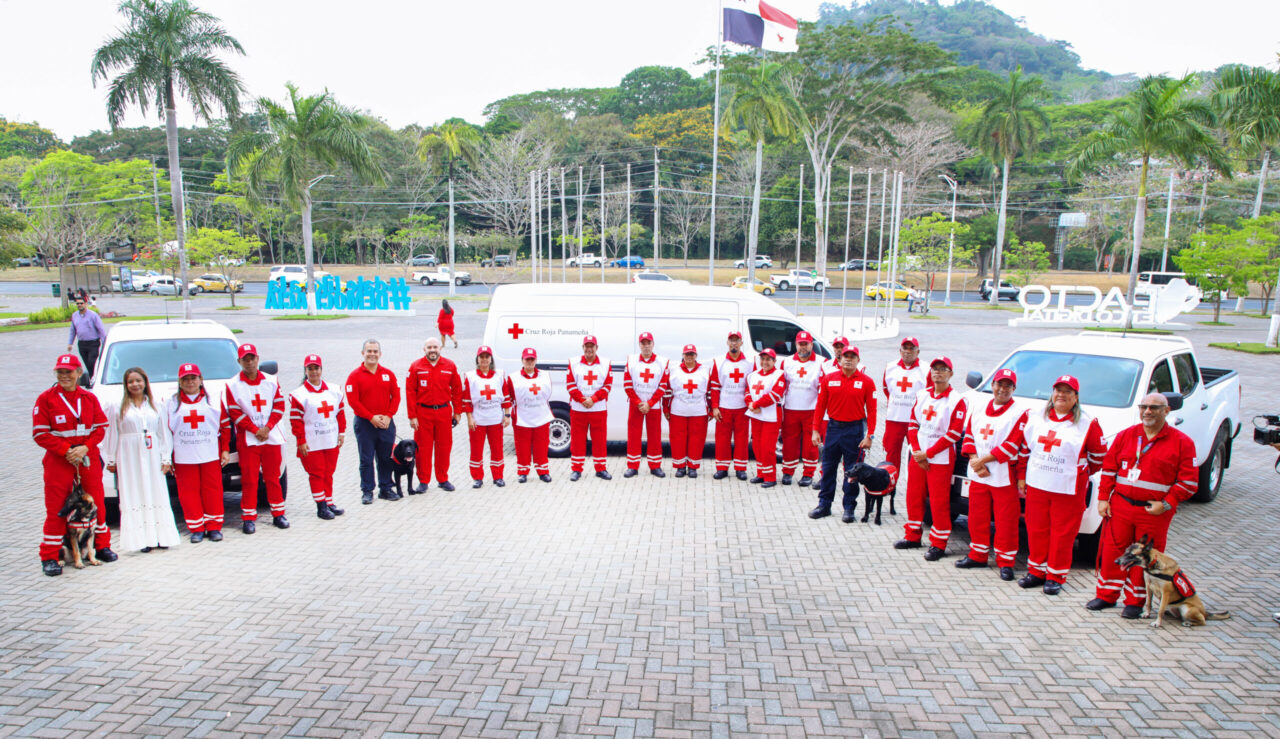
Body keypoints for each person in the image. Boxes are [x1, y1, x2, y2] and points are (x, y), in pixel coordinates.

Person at [1088, 392, 1198, 618]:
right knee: (1112, 551)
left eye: (1154, 408)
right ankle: (1106, 595)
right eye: (1144, 406)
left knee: (1144, 558)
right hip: (1121, 506)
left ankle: (1135, 602)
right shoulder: (1126, 436)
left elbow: (1189, 482)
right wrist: (1102, 498)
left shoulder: (1182, 443)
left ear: (1166, 411)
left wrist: (1166, 504)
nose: (1147, 411)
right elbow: (1109, 468)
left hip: (1154, 512)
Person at [1007, 375, 1106, 595]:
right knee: (1036, 528)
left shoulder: (1087, 423)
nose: (1061, 395)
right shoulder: (1036, 417)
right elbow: (1024, 449)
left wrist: (1080, 471)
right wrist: (1022, 477)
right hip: (1038, 484)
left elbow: (1099, 456)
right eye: (1058, 390)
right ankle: (1036, 571)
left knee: (1063, 533)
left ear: (1076, 397)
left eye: (1067, 392)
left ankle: (1056, 575)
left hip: (1068, 488)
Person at [33, 354, 116, 576]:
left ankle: (101, 546)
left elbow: (100, 427)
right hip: (59, 460)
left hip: (87, 458)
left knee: (97, 502)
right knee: (57, 508)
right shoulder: (45, 399)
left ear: (79, 373)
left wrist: (85, 447)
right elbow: (39, 433)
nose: (64, 376)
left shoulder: (89, 398)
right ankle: (50, 556)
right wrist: (66, 451)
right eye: (60, 372)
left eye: (69, 372)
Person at [895, 356, 968, 561]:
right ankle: (913, 536)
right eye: (935, 369)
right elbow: (912, 424)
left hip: (941, 459)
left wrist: (929, 453)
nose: (938, 372)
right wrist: (918, 452)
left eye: (943, 369)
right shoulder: (922, 395)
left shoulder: (957, 400)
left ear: (950, 374)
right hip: (919, 456)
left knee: (939, 501)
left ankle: (938, 543)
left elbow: (954, 433)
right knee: (914, 496)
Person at [104, 367, 180, 553]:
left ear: (145, 382)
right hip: (129, 455)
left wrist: (165, 458)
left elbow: (164, 434)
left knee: (156, 491)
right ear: (126, 384)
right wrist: (110, 459)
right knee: (134, 492)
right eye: (131, 381)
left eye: (138, 380)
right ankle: (141, 540)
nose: (135, 384)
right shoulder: (117, 406)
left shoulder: (156, 405)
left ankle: (162, 537)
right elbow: (111, 433)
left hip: (152, 453)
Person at [957, 369, 1023, 581]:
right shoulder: (978, 409)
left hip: (1003, 475)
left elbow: (1013, 444)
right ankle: (978, 555)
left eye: (1007, 386)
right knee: (977, 517)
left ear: (1013, 389)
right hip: (979, 474)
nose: (1002, 389)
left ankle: (1005, 562)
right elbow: (969, 437)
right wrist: (977, 462)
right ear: (993, 385)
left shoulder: (1019, 413)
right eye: (999, 384)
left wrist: (982, 461)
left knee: (1006, 521)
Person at [808, 344, 877, 522]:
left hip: (854, 431)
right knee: (828, 468)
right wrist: (815, 430)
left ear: (858, 360)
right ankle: (824, 505)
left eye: (852, 356)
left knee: (852, 471)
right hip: (833, 429)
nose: (848, 359)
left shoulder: (867, 382)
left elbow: (873, 410)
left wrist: (870, 435)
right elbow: (820, 406)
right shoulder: (829, 379)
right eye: (845, 356)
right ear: (839, 358)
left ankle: (849, 508)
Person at [225, 344, 288, 534]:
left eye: (252, 358)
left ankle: (278, 514)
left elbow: (279, 405)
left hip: (271, 436)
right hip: (248, 440)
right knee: (250, 479)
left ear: (257, 359)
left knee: (273, 477)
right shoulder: (232, 384)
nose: (249, 362)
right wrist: (254, 429)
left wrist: (267, 427)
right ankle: (248, 518)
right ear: (239, 361)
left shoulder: (271, 380)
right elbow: (234, 412)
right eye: (245, 359)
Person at [166, 363, 230, 542]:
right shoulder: (170, 403)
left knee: (213, 489)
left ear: (201, 379)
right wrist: (168, 456)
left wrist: (225, 449)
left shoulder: (214, 401)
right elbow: (166, 432)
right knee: (188, 491)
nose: (190, 382)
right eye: (185, 379)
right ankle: (196, 527)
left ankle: (214, 526)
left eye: (193, 378)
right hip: (183, 455)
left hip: (209, 452)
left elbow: (224, 426)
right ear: (179, 382)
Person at [289, 354, 347, 520]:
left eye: (316, 368)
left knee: (329, 471)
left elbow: (340, 413)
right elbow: (296, 420)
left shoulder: (334, 390)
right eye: (310, 369)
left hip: (330, 439)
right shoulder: (299, 394)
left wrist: (341, 432)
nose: (314, 372)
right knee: (317, 473)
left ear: (322, 369)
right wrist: (300, 440)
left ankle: (329, 502)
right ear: (305, 370)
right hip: (311, 441)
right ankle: (320, 505)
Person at [345, 339, 401, 504]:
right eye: (369, 351)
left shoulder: (388, 374)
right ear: (363, 353)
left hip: (386, 423)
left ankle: (385, 488)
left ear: (380, 354)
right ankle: (367, 490)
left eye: (375, 351)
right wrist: (371, 417)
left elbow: (396, 396)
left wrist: (389, 416)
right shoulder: (354, 376)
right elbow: (353, 401)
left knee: (385, 458)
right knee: (366, 459)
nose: (372, 354)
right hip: (365, 424)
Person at [406, 337, 463, 493]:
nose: (432, 350)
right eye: (429, 347)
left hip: (444, 412)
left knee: (444, 447)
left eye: (435, 347)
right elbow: (410, 392)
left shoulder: (449, 366)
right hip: (423, 413)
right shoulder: (416, 367)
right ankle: (423, 481)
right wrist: (412, 416)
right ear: (424, 349)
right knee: (422, 448)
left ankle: (443, 479)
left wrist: (458, 411)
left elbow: (457, 389)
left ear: (440, 349)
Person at [461, 345, 510, 488]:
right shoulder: (470, 376)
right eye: (481, 357)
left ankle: (498, 476)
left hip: (496, 419)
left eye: (486, 357)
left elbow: (506, 397)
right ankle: (477, 478)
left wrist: (507, 415)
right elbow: (467, 400)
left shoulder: (499, 375)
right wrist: (469, 418)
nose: (484, 360)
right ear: (477, 359)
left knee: (497, 449)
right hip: (478, 419)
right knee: (476, 449)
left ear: (491, 359)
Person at [565, 335, 613, 481]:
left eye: (592, 346)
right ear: (583, 348)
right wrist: (581, 399)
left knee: (599, 439)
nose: (589, 349)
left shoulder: (605, 363)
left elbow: (608, 385)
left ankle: (600, 469)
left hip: (598, 409)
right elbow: (570, 384)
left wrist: (593, 399)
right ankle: (576, 470)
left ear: (596, 348)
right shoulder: (573, 363)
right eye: (587, 346)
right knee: (578, 440)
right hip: (579, 409)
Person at [664, 344, 716, 478]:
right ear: (683, 355)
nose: (689, 357)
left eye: (692, 354)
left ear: (696, 356)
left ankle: (693, 466)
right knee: (677, 438)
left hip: (698, 409)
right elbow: (668, 390)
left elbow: (710, 392)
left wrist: (711, 409)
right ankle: (680, 466)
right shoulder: (674, 370)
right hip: (678, 409)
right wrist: (665, 408)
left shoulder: (705, 370)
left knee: (696, 439)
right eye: (687, 354)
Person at [780, 331, 822, 486]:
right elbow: (781, 384)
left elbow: (822, 388)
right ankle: (787, 472)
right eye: (800, 344)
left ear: (811, 344)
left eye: (806, 344)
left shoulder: (821, 362)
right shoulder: (787, 362)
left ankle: (808, 474)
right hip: (790, 408)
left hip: (811, 409)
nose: (803, 347)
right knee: (789, 442)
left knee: (811, 445)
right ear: (796, 345)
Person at [504, 348, 553, 482]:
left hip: (541, 416)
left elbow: (548, 395)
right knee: (522, 445)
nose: (530, 362)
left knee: (541, 445)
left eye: (532, 359)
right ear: (522, 360)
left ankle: (543, 471)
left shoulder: (545, 375)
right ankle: (523, 472)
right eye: (527, 359)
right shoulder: (513, 378)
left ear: (536, 360)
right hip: (522, 417)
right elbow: (508, 398)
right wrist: (507, 415)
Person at [623, 332, 668, 478]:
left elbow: (663, 386)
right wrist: (638, 403)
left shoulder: (662, 361)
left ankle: (655, 466)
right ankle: (633, 466)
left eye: (648, 343)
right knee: (634, 435)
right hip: (636, 405)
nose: (646, 346)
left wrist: (650, 403)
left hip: (653, 406)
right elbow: (627, 384)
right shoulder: (631, 360)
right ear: (639, 345)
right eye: (643, 343)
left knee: (655, 436)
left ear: (653, 344)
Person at [882, 338, 928, 474]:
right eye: (905, 348)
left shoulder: (926, 369)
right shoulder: (890, 367)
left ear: (918, 351)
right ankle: (890, 485)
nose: (908, 352)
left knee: (916, 453)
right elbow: (886, 389)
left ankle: (914, 487)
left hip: (916, 421)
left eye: (911, 349)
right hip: (894, 418)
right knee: (891, 453)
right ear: (900, 351)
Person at [712, 331, 753, 480]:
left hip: (742, 407)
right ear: (727, 342)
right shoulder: (719, 361)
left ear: (742, 342)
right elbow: (715, 386)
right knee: (722, 439)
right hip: (724, 406)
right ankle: (722, 468)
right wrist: (715, 407)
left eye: (737, 340)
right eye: (731, 340)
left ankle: (741, 468)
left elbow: (753, 384)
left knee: (742, 439)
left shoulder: (750, 362)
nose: (734, 343)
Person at [744, 348, 787, 487]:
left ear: (774, 361)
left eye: (768, 359)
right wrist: (750, 404)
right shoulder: (753, 375)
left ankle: (770, 477)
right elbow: (747, 392)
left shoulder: (779, 375)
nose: (765, 362)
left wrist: (756, 404)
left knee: (767, 447)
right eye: (762, 359)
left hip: (771, 415)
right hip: (756, 414)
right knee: (756, 445)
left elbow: (775, 395)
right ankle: (761, 473)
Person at [66, 295, 107, 380]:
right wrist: (70, 343)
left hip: (93, 343)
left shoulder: (93, 315)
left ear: (86, 304)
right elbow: (73, 330)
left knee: (92, 362)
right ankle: (91, 379)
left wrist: (105, 342)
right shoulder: (75, 316)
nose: (79, 305)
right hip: (82, 344)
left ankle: (94, 378)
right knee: (87, 363)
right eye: (78, 304)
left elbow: (101, 329)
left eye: (81, 303)